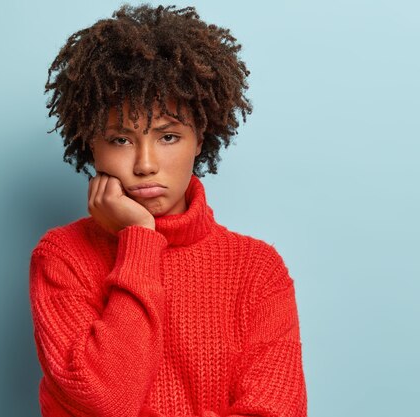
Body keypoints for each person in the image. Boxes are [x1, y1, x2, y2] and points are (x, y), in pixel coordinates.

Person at [28, 4, 307, 417]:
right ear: (91, 143)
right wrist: (139, 238)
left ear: (201, 138)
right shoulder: (62, 257)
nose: (145, 164)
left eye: (169, 136)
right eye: (120, 139)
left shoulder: (257, 270)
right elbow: (106, 401)